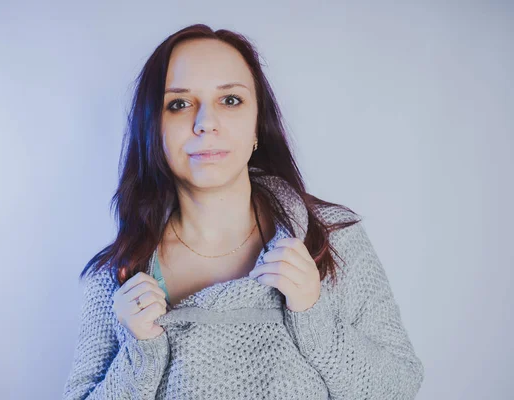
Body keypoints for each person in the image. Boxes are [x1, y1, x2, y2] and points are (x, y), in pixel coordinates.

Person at [62, 23, 424, 399]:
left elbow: (399, 386)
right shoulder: (119, 276)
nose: (206, 123)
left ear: (257, 127)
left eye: (230, 100)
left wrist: (314, 314)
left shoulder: (329, 240)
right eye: (179, 104)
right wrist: (139, 351)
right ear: (154, 130)